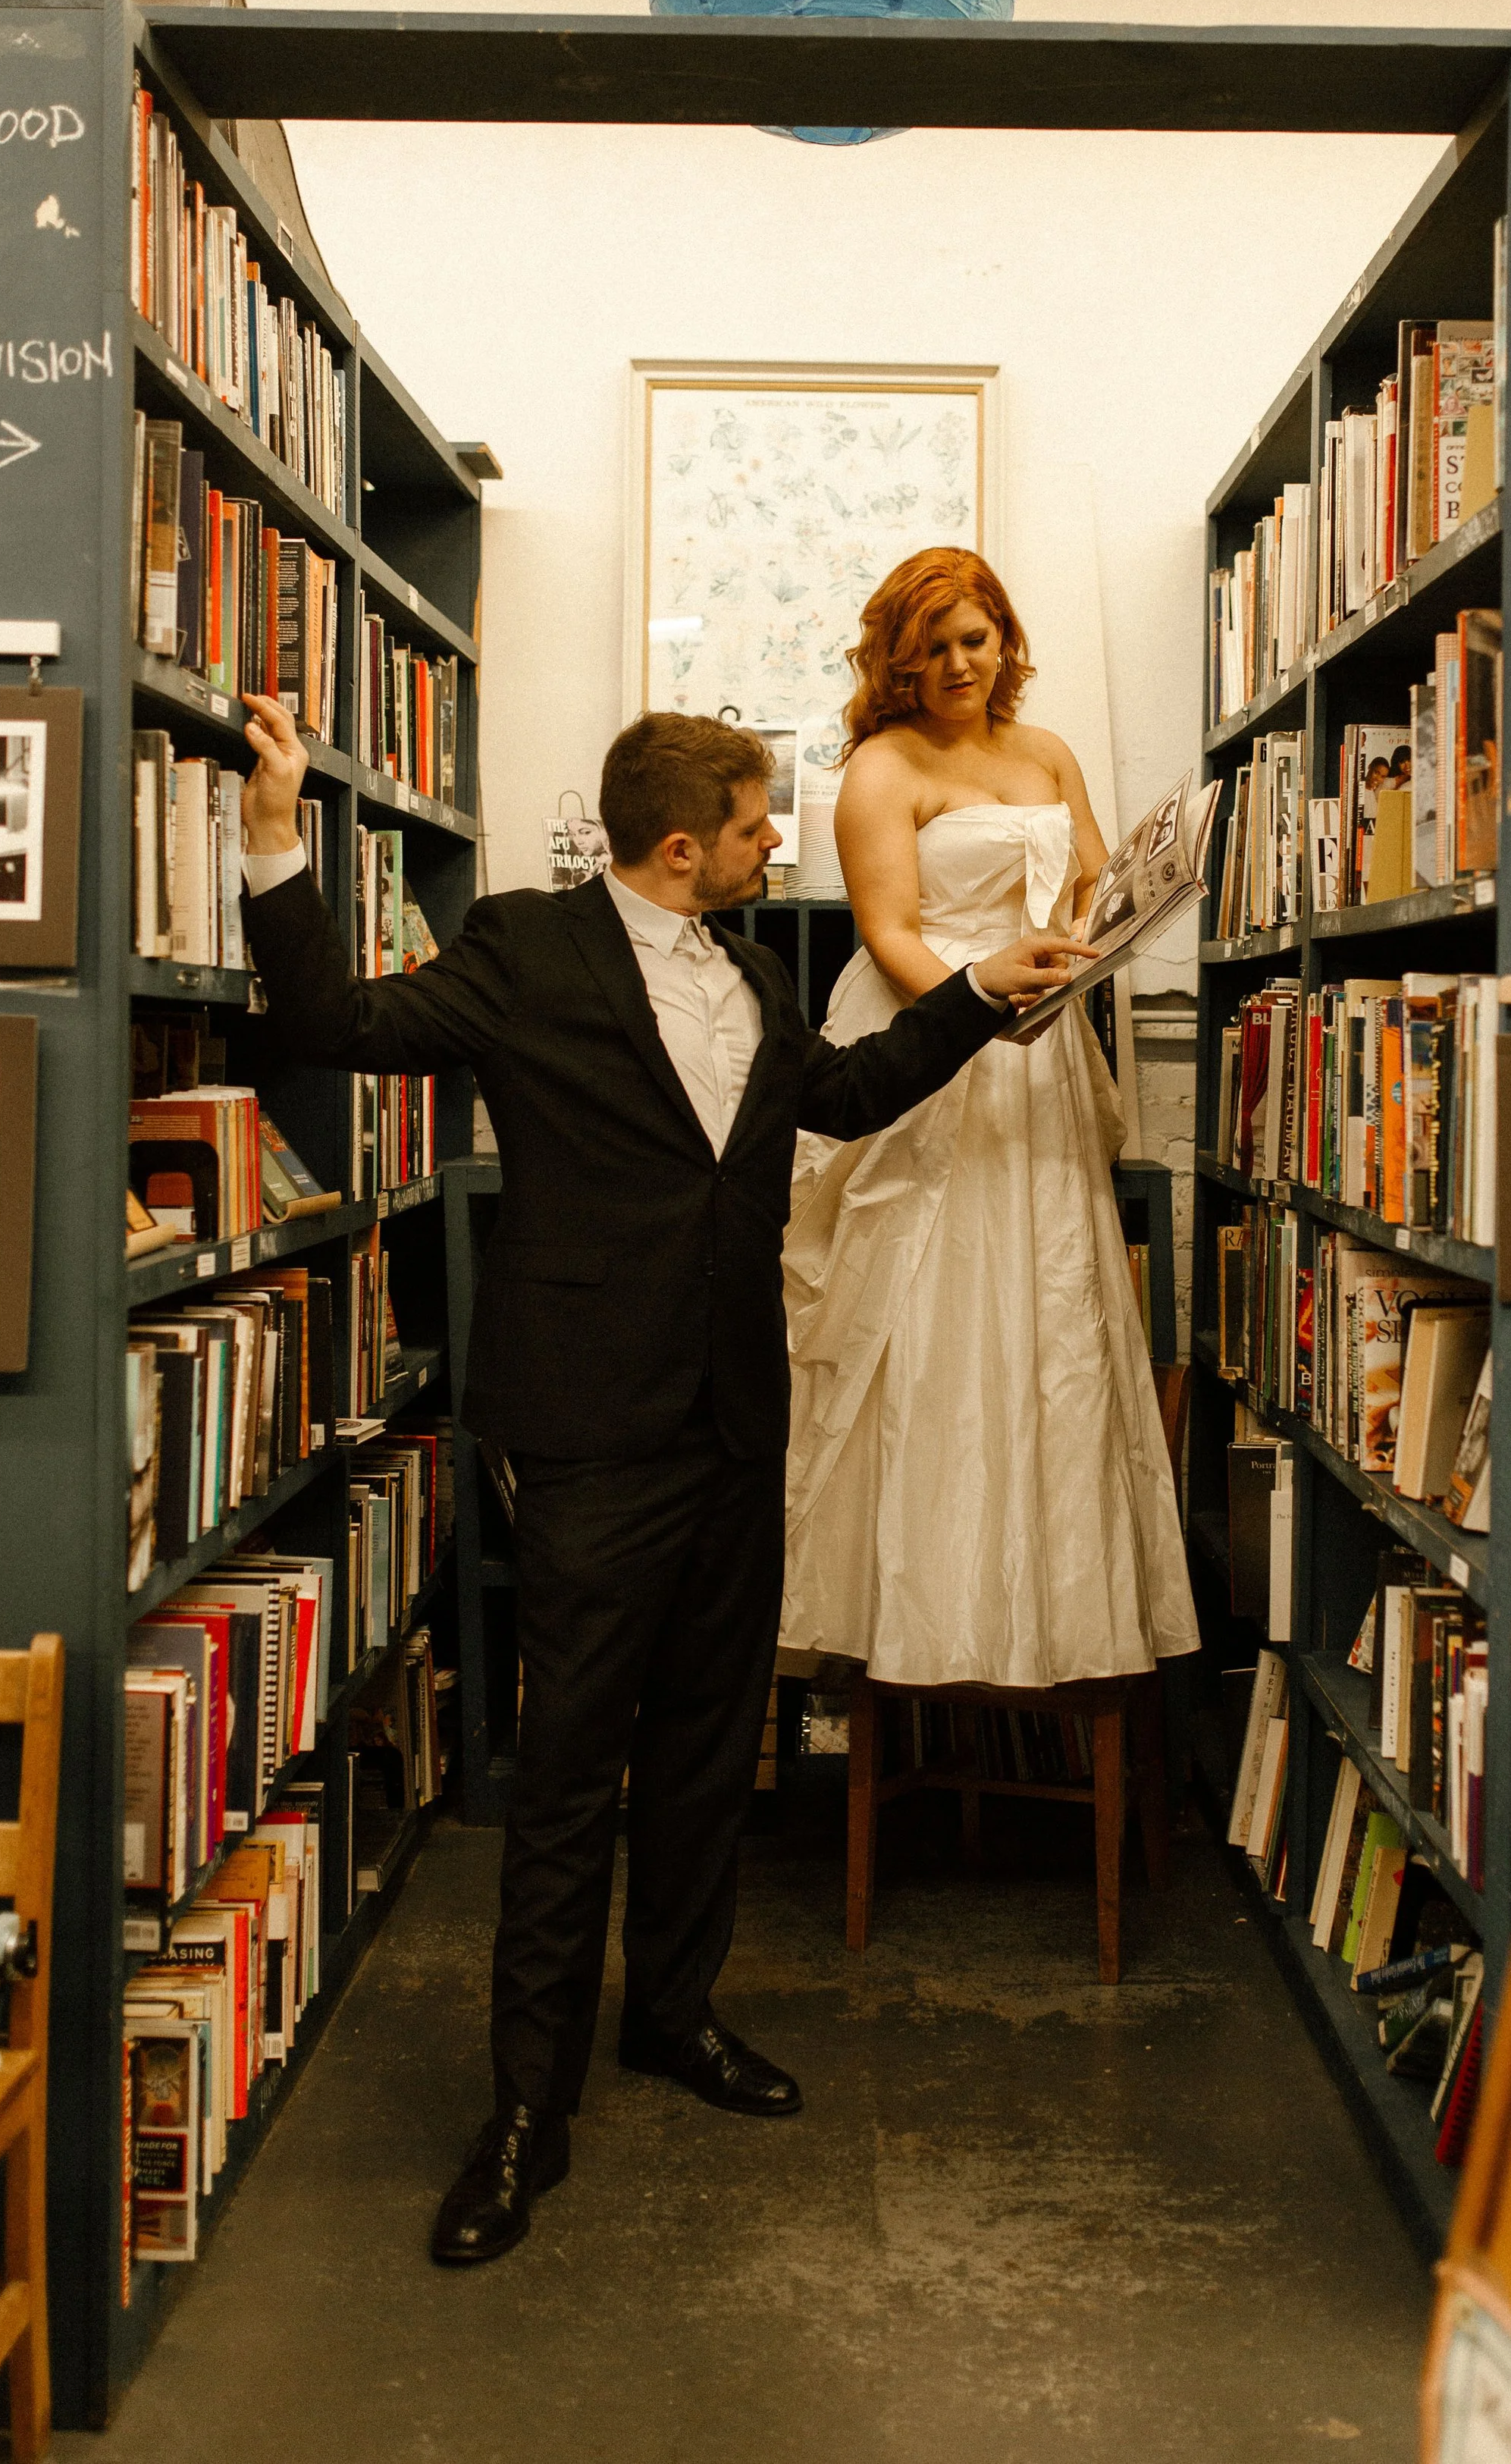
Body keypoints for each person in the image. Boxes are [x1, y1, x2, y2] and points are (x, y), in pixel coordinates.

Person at [236, 696, 1092, 2266]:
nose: (781, 840)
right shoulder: (523, 949)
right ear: (685, 844)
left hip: (734, 1421)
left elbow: (845, 1095)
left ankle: (673, 2014)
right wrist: (275, 834)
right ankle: (524, 2111)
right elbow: (334, 1023)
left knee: (708, 1747)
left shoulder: (754, 974)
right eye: (761, 822)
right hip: (588, 1428)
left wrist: (981, 988)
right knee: (573, 1772)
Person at [782, 548, 1200, 1690]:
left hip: (1043, 1046)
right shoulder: (882, 766)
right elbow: (889, 930)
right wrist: (978, 1013)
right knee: (927, 1310)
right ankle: (919, 1612)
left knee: (1048, 1308)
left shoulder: (1047, 750)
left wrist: (1125, 914)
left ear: (1005, 638)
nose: (959, 664)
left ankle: (1050, 1611)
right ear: (898, 659)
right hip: (935, 1034)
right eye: (933, 647)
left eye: (976, 639)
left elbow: (1094, 882)